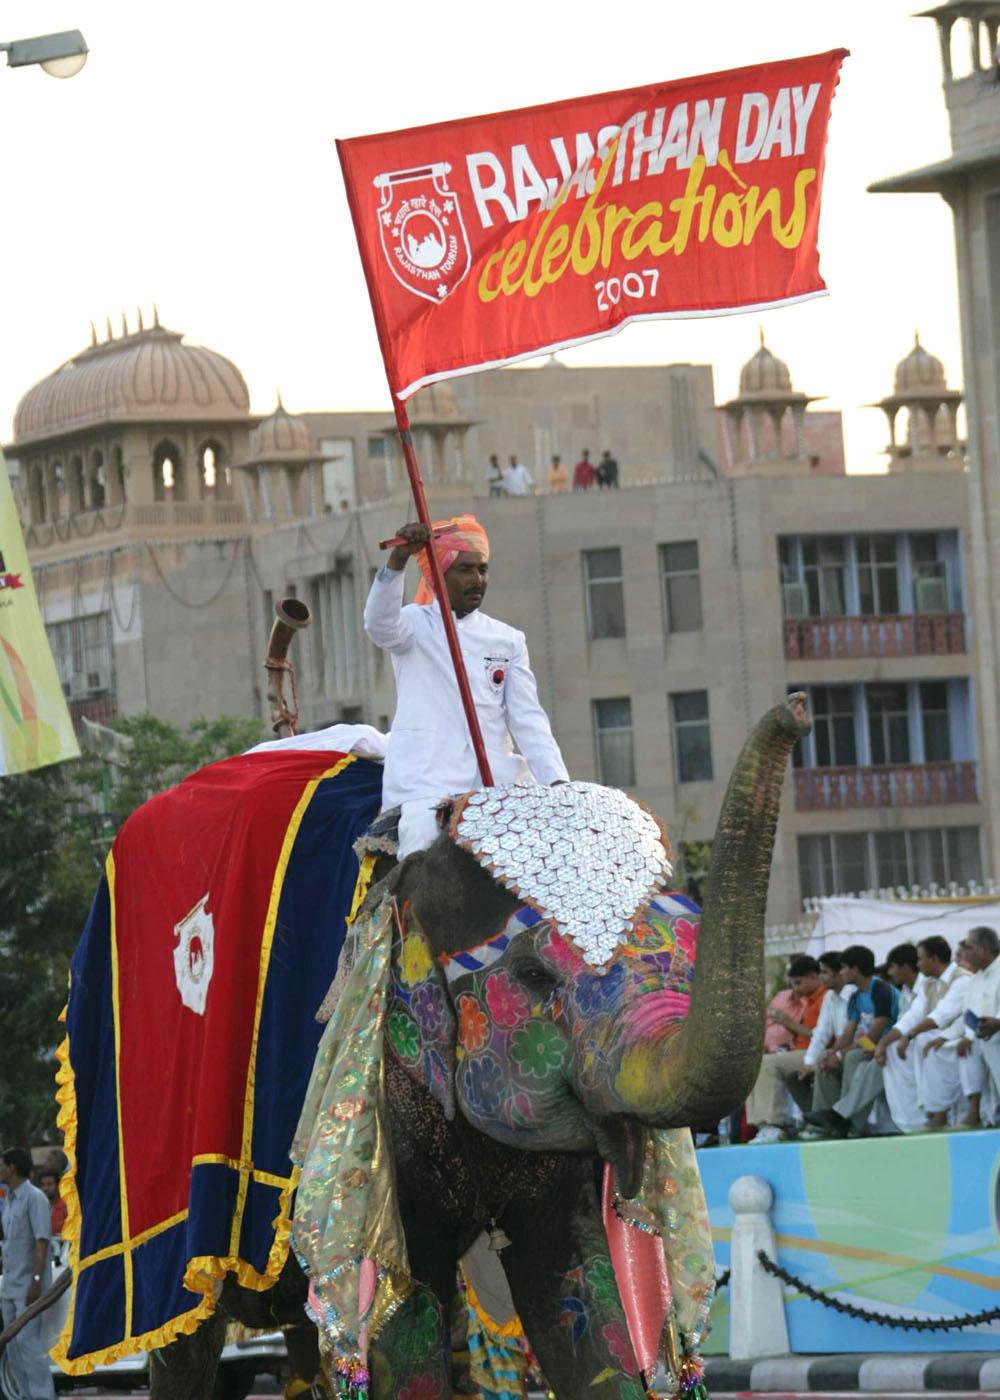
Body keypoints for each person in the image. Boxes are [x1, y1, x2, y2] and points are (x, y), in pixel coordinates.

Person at [363, 515, 569, 858]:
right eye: (465, 570)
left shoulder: (507, 639)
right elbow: (378, 624)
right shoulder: (412, 625)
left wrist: (557, 782)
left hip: (496, 783)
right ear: (437, 576)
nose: (477, 580)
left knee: (551, 857)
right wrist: (398, 561)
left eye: (483, 569)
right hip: (426, 785)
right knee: (422, 853)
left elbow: (529, 721)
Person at [805, 944, 898, 1138]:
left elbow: (875, 1033)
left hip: (888, 1044)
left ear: (855, 970)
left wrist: (840, 1054)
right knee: (826, 1058)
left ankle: (847, 1121)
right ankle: (823, 1126)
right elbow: (848, 1034)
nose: (842, 972)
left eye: (845, 968)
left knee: (850, 1057)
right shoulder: (856, 997)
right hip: (872, 1046)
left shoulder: (881, 990)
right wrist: (833, 1053)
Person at [878, 935, 965, 1133]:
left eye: (920, 959)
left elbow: (941, 1015)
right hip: (933, 1036)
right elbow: (912, 1016)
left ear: (933, 959)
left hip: (955, 1036)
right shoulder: (929, 983)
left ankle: (937, 1113)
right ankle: (909, 1121)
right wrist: (885, 1042)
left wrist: (909, 1036)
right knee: (892, 1049)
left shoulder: (961, 979)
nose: (917, 964)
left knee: (922, 1040)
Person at [745, 955, 827, 1143]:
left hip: (817, 1053)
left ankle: (774, 1124)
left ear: (814, 977)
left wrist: (787, 1022)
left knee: (767, 1064)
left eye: (799, 983)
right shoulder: (807, 999)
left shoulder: (825, 998)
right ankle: (760, 1125)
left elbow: (820, 1037)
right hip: (797, 1051)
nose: (796, 989)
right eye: (793, 984)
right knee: (755, 1064)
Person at [0, 1147, 56, 1400]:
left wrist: (36, 1281)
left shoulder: (35, 1198)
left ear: (12, 1168)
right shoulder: (9, 1199)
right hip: (9, 1286)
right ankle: (25, 1396)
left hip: (28, 1286)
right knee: (12, 1347)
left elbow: (42, 1241)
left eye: (2, 1164)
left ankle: (43, 1396)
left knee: (29, 1344)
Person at [953, 925, 1000, 1127]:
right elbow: (969, 1011)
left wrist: (997, 1022)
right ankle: (978, 1114)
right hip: (985, 1036)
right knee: (966, 1049)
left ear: (983, 949)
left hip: (996, 1035)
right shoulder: (976, 978)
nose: (964, 953)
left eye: (969, 947)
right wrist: (969, 1036)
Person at [37, 1170, 66, 1237]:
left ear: (58, 1186)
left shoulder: (66, 1207)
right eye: (43, 1185)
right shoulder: (37, 1207)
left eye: (49, 1184)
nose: (45, 1188)